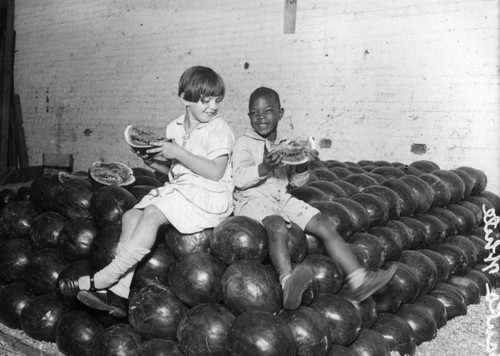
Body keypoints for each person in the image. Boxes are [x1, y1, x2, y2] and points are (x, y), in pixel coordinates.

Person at [59, 66, 235, 317]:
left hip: (210, 193)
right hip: (182, 189)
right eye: (205, 100)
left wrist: (178, 152)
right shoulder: (173, 127)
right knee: (131, 216)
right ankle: (119, 294)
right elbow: (174, 168)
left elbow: (216, 171)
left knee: (152, 212)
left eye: (217, 100)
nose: (213, 107)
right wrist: (150, 162)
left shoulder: (219, 128)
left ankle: (102, 279)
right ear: (185, 98)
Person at [232, 86, 397, 310]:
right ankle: (287, 283)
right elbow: (240, 179)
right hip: (251, 199)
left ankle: (360, 279)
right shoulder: (243, 143)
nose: (261, 118)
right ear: (249, 116)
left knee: (323, 223)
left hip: (280, 197)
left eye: (268, 111)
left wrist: (302, 163)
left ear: (280, 113)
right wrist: (263, 167)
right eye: (255, 113)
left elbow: (296, 183)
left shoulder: (287, 144)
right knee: (277, 225)